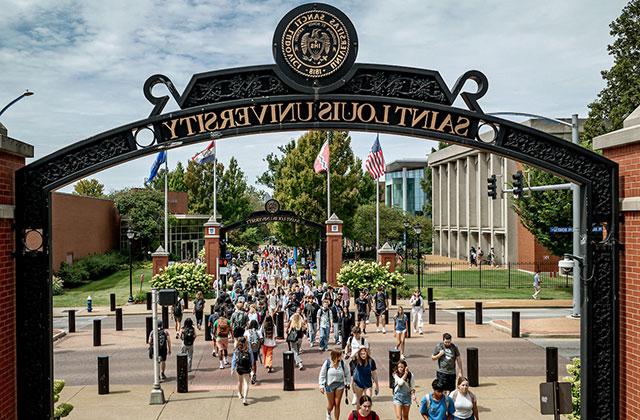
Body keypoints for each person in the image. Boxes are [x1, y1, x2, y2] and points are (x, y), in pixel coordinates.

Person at [319, 348, 351, 420]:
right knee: (331, 404)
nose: (341, 357)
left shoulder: (342, 363)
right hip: (329, 385)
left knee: (337, 404)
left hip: (340, 384)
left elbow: (347, 373)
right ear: (335, 356)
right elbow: (322, 374)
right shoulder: (327, 363)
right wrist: (321, 385)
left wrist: (348, 382)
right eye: (340, 355)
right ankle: (328, 412)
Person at [231, 337, 254, 406]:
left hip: (239, 368)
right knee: (246, 383)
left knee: (239, 381)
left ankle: (240, 394)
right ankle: (245, 399)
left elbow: (234, 360)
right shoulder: (248, 349)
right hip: (246, 368)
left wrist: (232, 368)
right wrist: (252, 367)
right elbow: (252, 360)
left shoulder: (237, 350)